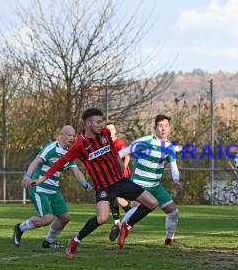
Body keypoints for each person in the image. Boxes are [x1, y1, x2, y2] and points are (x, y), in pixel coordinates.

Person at [30, 108, 158, 258]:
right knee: (102, 218)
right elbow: (60, 162)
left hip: (120, 181)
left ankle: (126, 225)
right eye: (98, 122)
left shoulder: (105, 134)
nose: (101, 124)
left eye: (102, 121)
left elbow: (114, 151)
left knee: (152, 203)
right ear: (88, 123)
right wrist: (43, 178)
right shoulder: (79, 145)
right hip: (104, 187)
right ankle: (75, 241)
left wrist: (121, 165)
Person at [15, 125, 92, 248]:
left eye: (73, 136)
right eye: (69, 135)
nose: (72, 138)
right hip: (39, 188)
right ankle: (20, 228)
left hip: (54, 190)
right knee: (47, 219)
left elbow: (76, 171)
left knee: (65, 218)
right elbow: (36, 161)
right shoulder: (51, 148)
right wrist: (27, 176)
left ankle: (49, 242)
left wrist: (84, 183)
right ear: (61, 135)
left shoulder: (69, 153)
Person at [117, 114, 182, 245]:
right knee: (137, 209)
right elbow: (121, 153)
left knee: (173, 212)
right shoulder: (145, 142)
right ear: (154, 128)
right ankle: (121, 228)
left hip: (155, 186)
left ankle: (170, 240)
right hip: (139, 184)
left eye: (166, 126)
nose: (163, 129)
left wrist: (176, 180)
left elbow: (173, 166)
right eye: (160, 126)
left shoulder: (169, 147)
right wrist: (118, 169)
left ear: (170, 128)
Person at [105, 122, 132, 241]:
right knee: (113, 198)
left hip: (121, 175)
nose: (110, 131)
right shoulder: (105, 143)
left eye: (112, 129)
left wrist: (123, 168)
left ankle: (131, 215)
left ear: (115, 131)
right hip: (111, 175)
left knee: (116, 196)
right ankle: (118, 223)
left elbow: (127, 156)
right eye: (107, 130)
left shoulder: (119, 142)